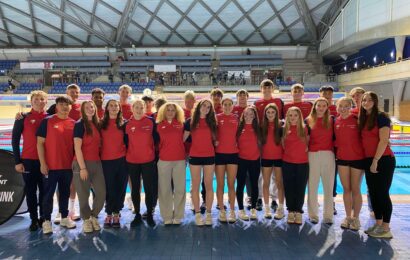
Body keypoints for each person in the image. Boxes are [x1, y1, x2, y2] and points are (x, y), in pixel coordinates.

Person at [36, 96, 77, 234]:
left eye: (67, 105)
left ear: (71, 107)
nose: (65, 107)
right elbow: (40, 143)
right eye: (61, 104)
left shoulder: (73, 123)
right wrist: (42, 163)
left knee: (64, 193)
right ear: (56, 106)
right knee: (48, 195)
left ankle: (64, 217)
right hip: (51, 167)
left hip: (67, 167)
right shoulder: (47, 121)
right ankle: (47, 220)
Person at [359, 91, 396, 239]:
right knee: (373, 193)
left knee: (382, 193)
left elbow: (383, 140)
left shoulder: (381, 117)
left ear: (375, 102)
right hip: (369, 159)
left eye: (369, 100)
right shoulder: (364, 118)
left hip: (383, 159)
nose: (366, 102)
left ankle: (386, 227)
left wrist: (375, 161)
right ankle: (378, 224)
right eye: (364, 100)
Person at [12, 90, 48, 231]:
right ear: (31, 102)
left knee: (45, 192)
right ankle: (33, 219)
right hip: (28, 161)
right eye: (36, 99)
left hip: (46, 161)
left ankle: (44, 217)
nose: (39, 101)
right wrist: (17, 161)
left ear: (46, 101)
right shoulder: (23, 118)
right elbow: (14, 140)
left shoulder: (50, 118)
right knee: (31, 192)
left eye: (42, 99)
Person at [72, 101, 106, 233]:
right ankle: (86, 220)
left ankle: (93, 215)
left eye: (92, 107)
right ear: (82, 110)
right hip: (82, 163)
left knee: (102, 193)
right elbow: (77, 147)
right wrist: (82, 168)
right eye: (86, 107)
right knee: (83, 194)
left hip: (97, 163)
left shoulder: (97, 124)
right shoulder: (80, 124)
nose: (90, 109)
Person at [124, 100, 157, 227]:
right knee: (135, 189)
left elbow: (156, 138)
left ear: (144, 108)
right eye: (136, 107)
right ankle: (137, 213)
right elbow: (125, 142)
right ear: (132, 108)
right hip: (132, 161)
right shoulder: (127, 124)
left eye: (141, 107)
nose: (138, 110)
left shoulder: (150, 122)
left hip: (148, 160)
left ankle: (149, 213)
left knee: (149, 188)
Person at [184, 99, 217, 226]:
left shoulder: (212, 122)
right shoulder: (190, 122)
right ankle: (197, 213)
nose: (206, 108)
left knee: (208, 186)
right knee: (195, 186)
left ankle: (208, 213)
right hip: (195, 157)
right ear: (199, 106)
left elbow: (215, 139)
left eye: (209, 107)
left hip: (209, 156)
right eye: (204, 106)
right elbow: (182, 139)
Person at [334, 97, 365, 231]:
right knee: (346, 189)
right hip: (342, 159)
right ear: (337, 107)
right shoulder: (336, 121)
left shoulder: (357, 120)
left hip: (357, 159)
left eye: (347, 106)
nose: (343, 108)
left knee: (356, 189)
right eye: (341, 106)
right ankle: (348, 217)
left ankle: (356, 218)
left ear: (351, 106)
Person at [254, 79, 283, 210]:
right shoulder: (257, 103)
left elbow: (281, 120)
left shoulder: (278, 102)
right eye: (264, 88)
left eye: (269, 88)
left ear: (272, 89)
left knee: (276, 178)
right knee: (262, 175)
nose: (266, 90)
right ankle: (260, 197)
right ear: (261, 89)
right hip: (263, 139)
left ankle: (274, 199)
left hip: (275, 138)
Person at [156, 102, 187, 225]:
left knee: (180, 189)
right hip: (164, 160)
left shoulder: (181, 124)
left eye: (172, 110)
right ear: (163, 111)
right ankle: (167, 215)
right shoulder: (158, 125)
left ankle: (178, 215)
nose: (170, 112)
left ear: (176, 112)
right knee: (164, 189)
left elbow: (184, 140)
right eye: (168, 110)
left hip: (179, 160)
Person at [306, 98, 335, 225]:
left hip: (328, 154)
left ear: (327, 107)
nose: (321, 108)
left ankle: (328, 215)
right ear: (315, 106)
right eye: (319, 105)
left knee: (328, 186)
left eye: (324, 106)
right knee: (312, 186)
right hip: (312, 155)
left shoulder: (332, 120)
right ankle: (313, 214)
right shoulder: (308, 121)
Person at [100, 100, 128, 228]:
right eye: (111, 105)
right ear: (106, 108)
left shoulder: (124, 124)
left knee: (120, 188)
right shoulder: (101, 124)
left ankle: (117, 212)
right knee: (109, 188)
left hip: (122, 160)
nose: (113, 108)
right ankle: (109, 212)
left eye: (116, 106)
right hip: (106, 161)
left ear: (119, 108)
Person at [282, 107, 309, 225]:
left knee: (300, 187)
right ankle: (290, 211)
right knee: (289, 187)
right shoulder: (284, 129)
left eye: (295, 115)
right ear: (287, 117)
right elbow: (283, 144)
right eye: (290, 115)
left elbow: (307, 144)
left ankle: (298, 211)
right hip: (287, 162)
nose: (293, 118)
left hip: (302, 163)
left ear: (300, 117)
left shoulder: (305, 128)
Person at [215, 98, 239, 223]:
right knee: (220, 185)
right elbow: (212, 132)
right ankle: (222, 211)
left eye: (230, 104)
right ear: (222, 106)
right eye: (225, 105)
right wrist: (214, 140)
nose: (228, 106)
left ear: (233, 106)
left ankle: (232, 211)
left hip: (233, 154)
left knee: (231, 184)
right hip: (219, 154)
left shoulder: (237, 118)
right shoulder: (217, 117)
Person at [236, 106, 261, 221]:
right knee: (240, 185)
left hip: (254, 160)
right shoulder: (239, 127)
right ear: (243, 115)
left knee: (254, 184)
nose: (248, 116)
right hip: (241, 160)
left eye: (251, 114)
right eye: (246, 114)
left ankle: (253, 209)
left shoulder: (258, 128)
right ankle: (241, 209)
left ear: (255, 115)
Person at [260, 103, 284, 220]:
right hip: (266, 158)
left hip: (279, 158)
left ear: (276, 113)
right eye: (268, 112)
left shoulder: (281, 125)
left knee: (279, 183)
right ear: (265, 113)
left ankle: (280, 207)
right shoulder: (261, 126)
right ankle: (267, 208)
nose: (270, 114)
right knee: (266, 183)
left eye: (273, 112)